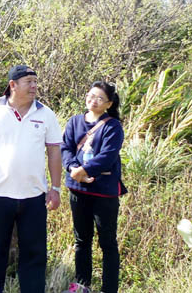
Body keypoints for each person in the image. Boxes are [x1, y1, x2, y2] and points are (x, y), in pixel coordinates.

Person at [0, 65, 63, 293]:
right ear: (13, 85)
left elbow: (54, 152)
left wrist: (56, 188)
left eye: (35, 81)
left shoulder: (46, 114)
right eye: (28, 81)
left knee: (34, 254)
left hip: (34, 198)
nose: (34, 86)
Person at [61, 82, 125, 293]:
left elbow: (107, 157)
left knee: (107, 242)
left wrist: (85, 171)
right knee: (81, 240)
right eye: (90, 95)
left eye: (99, 98)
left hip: (104, 192)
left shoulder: (113, 126)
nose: (93, 100)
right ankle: (81, 286)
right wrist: (73, 169)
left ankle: (109, 289)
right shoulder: (74, 122)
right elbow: (66, 148)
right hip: (78, 190)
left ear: (108, 103)